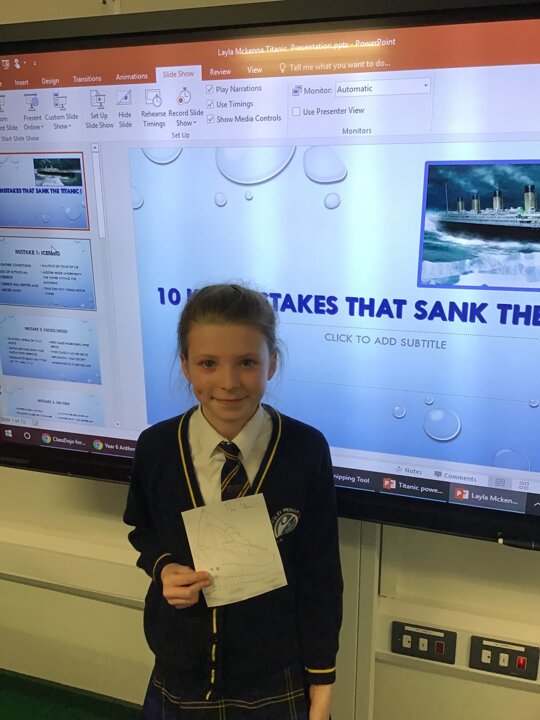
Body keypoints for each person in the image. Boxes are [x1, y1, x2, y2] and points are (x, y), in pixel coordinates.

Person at [124, 283, 343, 720]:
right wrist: (164, 567)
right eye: (208, 363)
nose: (228, 382)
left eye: (247, 362)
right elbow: (142, 529)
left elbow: (320, 573)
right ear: (185, 365)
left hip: (274, 671)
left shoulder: (305, 449)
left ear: (271, 363)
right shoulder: (156, 447)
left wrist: (322, 680)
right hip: (181, 665)